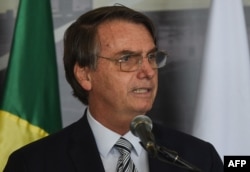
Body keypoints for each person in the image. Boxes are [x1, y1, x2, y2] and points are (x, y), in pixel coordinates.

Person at [4, 5, 223, 172]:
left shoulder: (200, 158)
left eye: (151, 57)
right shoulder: (32, 164)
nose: (148, 71)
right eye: (127, 59)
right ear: (85, 75)